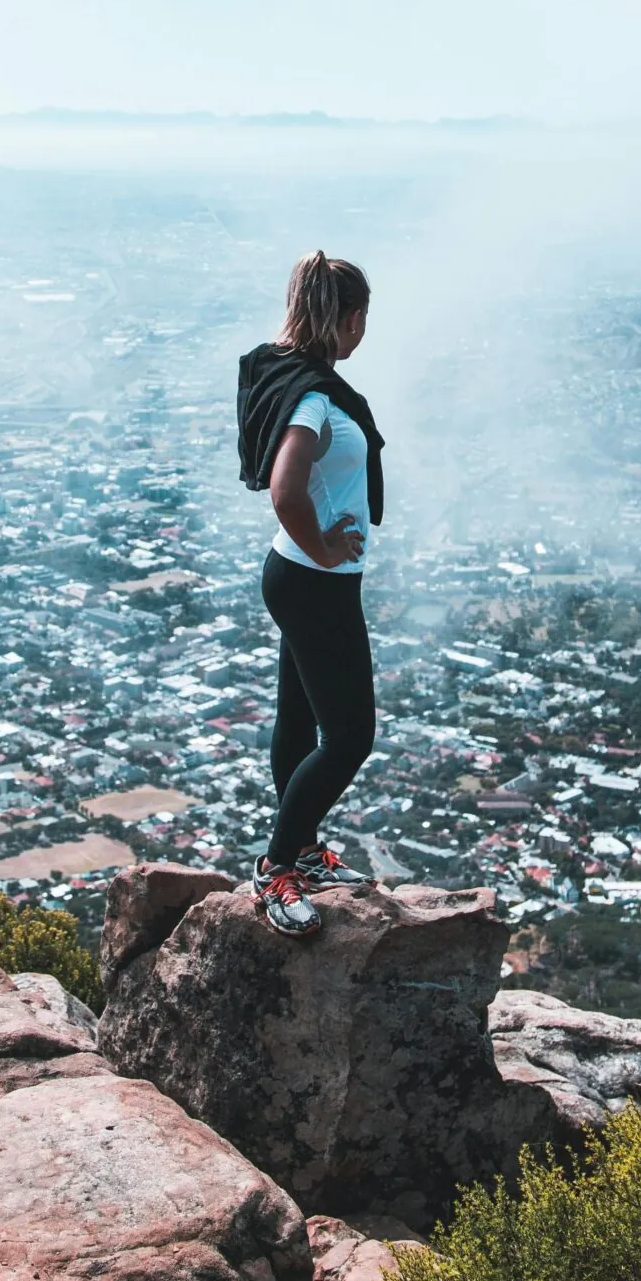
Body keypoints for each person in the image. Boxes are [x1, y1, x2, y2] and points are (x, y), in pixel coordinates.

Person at [236, 251, 385, 937]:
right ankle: (278, 870)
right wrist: (324, 544)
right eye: (363, 319)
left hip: (300, 576)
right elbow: (286, 486)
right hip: (312, 581)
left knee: (297, 721)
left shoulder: (294, 376)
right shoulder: (314, 397)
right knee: (350, 736)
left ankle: (298, 850)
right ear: (348, 319)